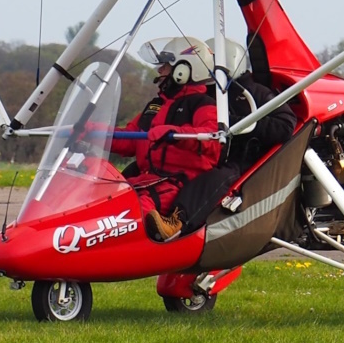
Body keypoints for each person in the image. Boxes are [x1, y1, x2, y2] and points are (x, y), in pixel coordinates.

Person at [112, 36, 226, 242]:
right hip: (148, 180)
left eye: (165, 66)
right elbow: (130, 138)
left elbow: (213, 139)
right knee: (104, 195)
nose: (160, 71)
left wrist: (176, 134)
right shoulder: (156, 105)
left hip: (178, 183)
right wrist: (92, 133)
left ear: (184, 70)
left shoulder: (203, 104)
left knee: (140, 204)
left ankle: (155, 236)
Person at [220, 40, 300, 169]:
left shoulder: (256, 92)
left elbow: (285, 126)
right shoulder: (206, 93)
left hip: (242, 165)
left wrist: (233, 123)